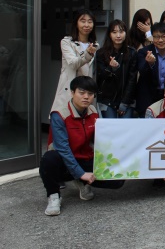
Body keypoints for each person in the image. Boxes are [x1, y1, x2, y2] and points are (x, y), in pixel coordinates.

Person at [40, 76, 124, 216]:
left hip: (85, 157)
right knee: (49, 159)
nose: (86, 97)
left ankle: (82, 182)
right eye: (81, 92)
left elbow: (101, 140)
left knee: (118, 180)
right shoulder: (59, 114)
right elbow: (63, 149)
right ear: (72, 93)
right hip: (63, 160)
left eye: (90, 94)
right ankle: (54, 195)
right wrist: (81, 173)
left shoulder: (93, 112)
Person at [50, 9, 98, 114]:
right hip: (70, 90)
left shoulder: (95, 45)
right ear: (76, 23)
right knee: (65, 117)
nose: (86, 25)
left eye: (90, 22)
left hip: (87, 92)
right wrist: (88, 54)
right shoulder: (67, 42)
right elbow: (73, 64)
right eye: (83, 21)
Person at [95, 20, 137, 118]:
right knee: (110, 127)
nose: (118, 35)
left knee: (126, 127)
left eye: (121, 32)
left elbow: (132, 79)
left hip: (127, 100)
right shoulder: (101, 53)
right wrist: (111, 68)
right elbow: (100, 77)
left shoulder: (132, 53)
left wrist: (125, 102)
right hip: (107, 101)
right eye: (114, 32)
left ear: (126, 33)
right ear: (109, 34)